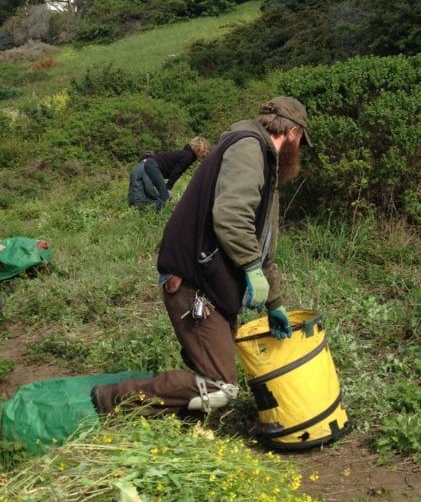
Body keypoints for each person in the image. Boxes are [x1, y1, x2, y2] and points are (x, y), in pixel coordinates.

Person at [92, 98, 312, 417]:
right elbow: (232, 217)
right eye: (300, 142)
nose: (299, 151)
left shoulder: (253, 154)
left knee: (214, 373)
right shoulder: (250, 150)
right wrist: (251, 269)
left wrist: (274, 302)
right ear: (292, 133)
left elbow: (259, 242)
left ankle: (183, 406)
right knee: (221, 386)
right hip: (193, 281)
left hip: (209, 280)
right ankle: (112, 400)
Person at [128, 137, 210, 211]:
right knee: (164, 194)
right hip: (153, 165)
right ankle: (158, 215)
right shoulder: (188, 156)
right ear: (199, 149)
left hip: (152, 164)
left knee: (162, 194)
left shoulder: (185, 154)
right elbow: (177, 171)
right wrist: (168, 187)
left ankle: (154, 208)